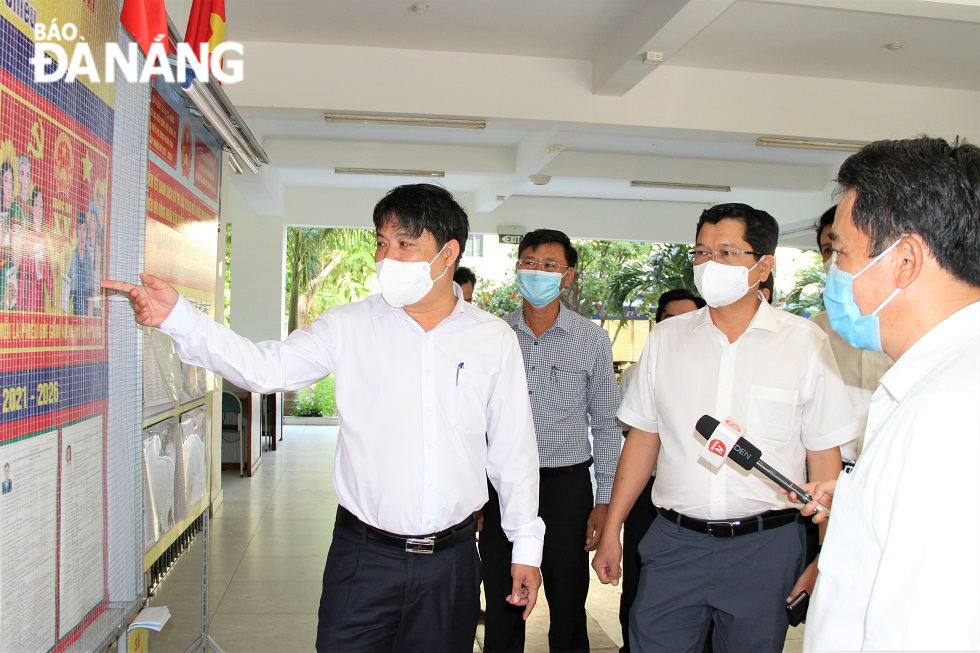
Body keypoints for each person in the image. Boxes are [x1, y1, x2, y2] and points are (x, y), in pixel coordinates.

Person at [104, 183, 545, 653]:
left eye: (403, 244)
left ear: (448, 253)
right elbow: (263, 367)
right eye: (381, 242)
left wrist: (526, 548)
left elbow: (513, 452)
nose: (385, 257)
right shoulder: (349, 325)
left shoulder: (491, 339)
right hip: (364, 557)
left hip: (451, 564)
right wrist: (180, 318)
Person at [592, 202, 857, 653]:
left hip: (765, 547)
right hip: (676, 542)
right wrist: (612, 528)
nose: (709, 264)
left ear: (763, 265)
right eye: (700, 253)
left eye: (727, 253)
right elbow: (643, 439)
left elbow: (823, 456)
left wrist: (824, 557)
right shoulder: (667, 340)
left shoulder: (803, 343)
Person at [798, 137, 980, 652]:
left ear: (905, 260)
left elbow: (928, 628)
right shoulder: (941, 377)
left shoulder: (948, 411)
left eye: (842, 253)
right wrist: (861, 501)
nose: (833, 273)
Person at [480, 228, 620, 652]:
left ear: (568, 276)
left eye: (549, 265)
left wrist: (605, 500)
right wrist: (474, 496)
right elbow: (471, 423)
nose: (537, 272)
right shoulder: (493, 335)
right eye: (529, 263)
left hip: (566, 487)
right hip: (501, 486)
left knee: (567, 599)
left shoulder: (590, 339)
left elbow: (607, 425)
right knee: (504, 601)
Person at [618, 287, 705, 653]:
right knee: (638, 579)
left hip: (694, 502)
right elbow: (636, 437)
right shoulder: (639, 373)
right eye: (670, 319)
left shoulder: (716, 376)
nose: (679, 326)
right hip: (647, 493)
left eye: (688, 318)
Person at [810, 205, 891, 469]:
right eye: (827, 250)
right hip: (835, 469)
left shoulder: (904, 324)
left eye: (843, 249)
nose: (834, 259)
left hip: (892, 467)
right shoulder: (814, 332)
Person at [18, 187, 53, 313]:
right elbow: (23, 272)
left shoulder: (45, 239)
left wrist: (51, 291)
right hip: (30, 290)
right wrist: (20, 301)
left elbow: (48, 269)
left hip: (40, 292)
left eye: (41, 206)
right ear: (32, 208)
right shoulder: (27, 236)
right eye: (36, 205)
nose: (39, 209)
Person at [68, 211, 94, 316]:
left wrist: (91, 304)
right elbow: (70, 277)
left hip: (87, 300)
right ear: (76, 232)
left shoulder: (89, 256)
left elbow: (91, 282)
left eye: (84, 229)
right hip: (75, 299)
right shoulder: (73, 254)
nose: (82, 233)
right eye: (80, 228)